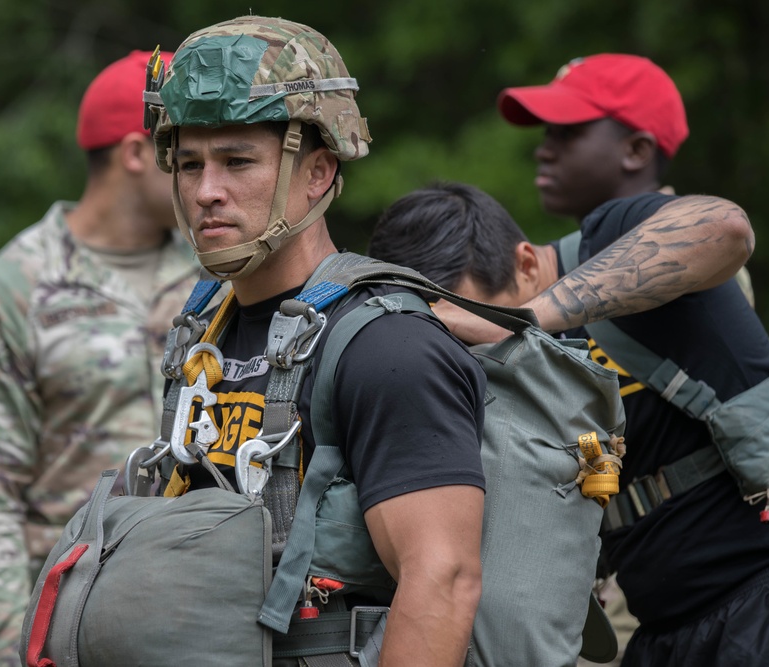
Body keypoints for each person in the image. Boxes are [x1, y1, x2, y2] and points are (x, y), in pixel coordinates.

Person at [141, 15, 486, 666]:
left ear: (319, 172)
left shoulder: (387, 346)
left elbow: (442, 580)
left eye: (237, 161)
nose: (206, 190)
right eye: (189, 164)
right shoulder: (201, 332)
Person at [370, 175, 769, 666]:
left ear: (526, 262)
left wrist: (520, 318)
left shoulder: (609, 235)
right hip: (662, 631)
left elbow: (725, 228)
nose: (481, 348)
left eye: (478, 322)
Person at [0, 50, 200, 667]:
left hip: (202, 619)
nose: (208, 178)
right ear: (136, 154)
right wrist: (9, 650)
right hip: (67, 630)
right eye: (185, 150)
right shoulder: (7, 293)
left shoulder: (221, 272)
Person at [498, 52, 755, 307]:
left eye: (566, 133)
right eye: (548, 133)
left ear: (636, 151)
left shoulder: (697, 255)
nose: (543, 151)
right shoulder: (574, 256)